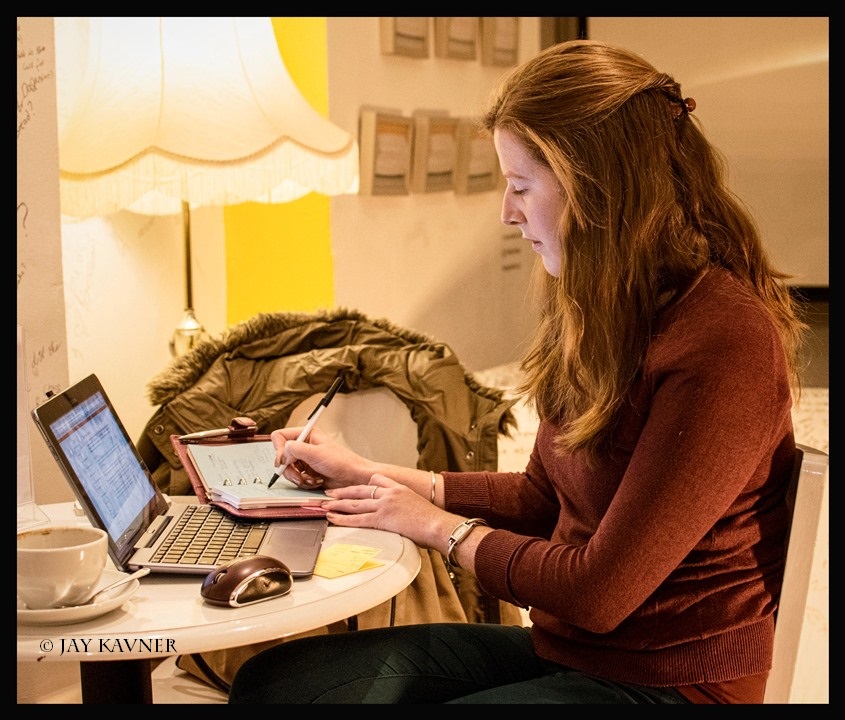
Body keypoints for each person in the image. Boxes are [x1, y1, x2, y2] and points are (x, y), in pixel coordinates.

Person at [228, 39, 808, 704]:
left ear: (599, 189)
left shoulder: (723, 340)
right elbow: (540, 499)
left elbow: (598, 593)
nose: (507, 212)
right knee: (277, 684)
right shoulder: (601, 307)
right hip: (572, 650)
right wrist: (369, 475)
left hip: (676, 683)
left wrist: (433, 525)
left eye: (522, 187)